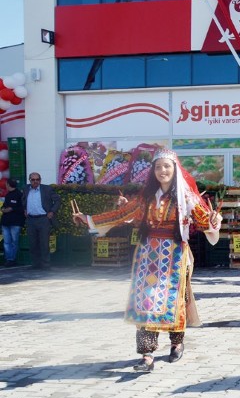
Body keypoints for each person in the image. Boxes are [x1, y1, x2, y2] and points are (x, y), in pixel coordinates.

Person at [72, 148, 222, 372]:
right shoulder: (145, 197)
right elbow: (121, 215)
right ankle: (147, 354)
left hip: (176, 256)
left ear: (175, 169)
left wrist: (213, 220)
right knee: (146, 302)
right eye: (158, 166)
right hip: (148, 255)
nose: (163, 171)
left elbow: (204, 221)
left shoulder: (186, 197)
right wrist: (89, 219)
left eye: (167, 166)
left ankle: (176, 343)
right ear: (153, 171)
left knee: (175, 300)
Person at [22, 172, 61, 270]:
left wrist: (52, 211)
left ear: (40, 180)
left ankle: (45, 264)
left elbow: (57, 200)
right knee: (32, 243)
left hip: (43, 219)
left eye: (37, 179)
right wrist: (24, 209)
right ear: (29, 180)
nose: (35, 181)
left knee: (44, 243)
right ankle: (35, 264)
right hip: (31, 219)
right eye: (33, 180)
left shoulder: (47, 189)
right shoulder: (26, 189)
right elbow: (23, 199)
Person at [1, 179, 25, 266]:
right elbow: (4, 206)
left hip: (15, 222)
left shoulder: (19, 194)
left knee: (14, 241)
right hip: (6, 222)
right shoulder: (8, 195)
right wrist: (3, 209)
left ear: (8, 185)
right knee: (7, 242)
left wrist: (12, 209)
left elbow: (22, 208)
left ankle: (13, 259)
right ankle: (9, 259)